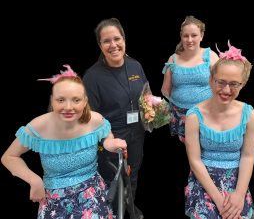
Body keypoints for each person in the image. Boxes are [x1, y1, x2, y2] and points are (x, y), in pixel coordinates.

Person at [1, 65, 127, 219]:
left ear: (85, 101)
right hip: (53, 197)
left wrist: (111, 144)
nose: (68, 107)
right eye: (61, 100)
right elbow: (9, 157)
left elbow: (107, 137)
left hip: (91, 190)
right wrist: (34, 180)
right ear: (52, 100)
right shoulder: (38, 126)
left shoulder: (95, 119)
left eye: (76, 100)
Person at [83, 18, 147, 219]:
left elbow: (146, 96)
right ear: (100, 46)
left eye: (117, 39)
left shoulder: (135, 66)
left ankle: (129, 208)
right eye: (106, 41)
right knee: (112, 178)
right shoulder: (92, 77)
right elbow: (90, 116)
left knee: (132, 174)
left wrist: (154, 111)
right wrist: (106, 139)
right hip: (109, 138)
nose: (113, 45)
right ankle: (111, 212)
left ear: (124, 40)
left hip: (136, 133)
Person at [184, 42, 254, 219]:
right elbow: (195, 161)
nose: (226, 90)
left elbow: (247, 156)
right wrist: (218, 200)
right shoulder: (194, 116)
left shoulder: (249, 115)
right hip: (204, 182)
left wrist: (239, 196)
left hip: (237, 182)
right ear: (210, 80)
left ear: (243, 84)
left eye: (234, 84)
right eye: (220, 82)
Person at [161, 15, 219, 143]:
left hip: (206, 114)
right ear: (181, 36)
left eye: (194, 35)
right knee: (186, 151)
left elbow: (221, 85)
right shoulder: (173, 59)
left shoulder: (211, 56)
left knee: (205, 148)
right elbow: (165, 90)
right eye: (186, 36)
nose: (189, 39)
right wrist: (177, 103)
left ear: (202, 36)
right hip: (179, 116)